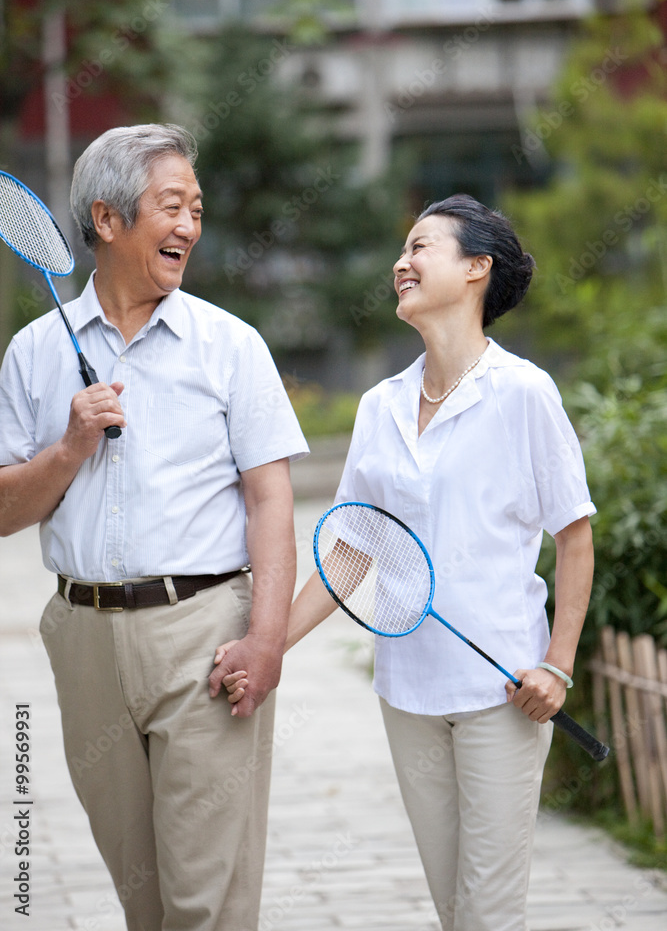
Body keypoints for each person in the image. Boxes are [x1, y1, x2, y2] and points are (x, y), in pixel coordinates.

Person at [221, 194, 595, 931]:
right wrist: (268, 647)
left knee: (488, 914)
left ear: (476, 269)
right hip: (407, 691)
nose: (402, 262)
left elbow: (573, 536)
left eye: (422, 247)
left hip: (502, 692)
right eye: (402, 249)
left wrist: (556, 664)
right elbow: (354, 551)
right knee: (454, 910)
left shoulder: (523, 392)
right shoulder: (379, 407)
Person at [0, 123, 308, 931]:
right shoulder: (34, 355)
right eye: (172, 207)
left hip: (204, 634)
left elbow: (271, 499)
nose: (189, 227)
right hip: (82, 639)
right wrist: (69, 447)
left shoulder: (229, 346)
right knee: (144, 904)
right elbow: (4, 511)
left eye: (196, 210)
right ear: (106, 220)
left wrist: (267, 638)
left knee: (205, 903)